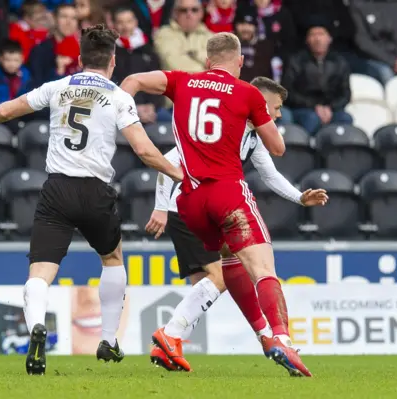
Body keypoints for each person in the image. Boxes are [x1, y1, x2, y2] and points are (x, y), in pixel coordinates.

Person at [0, 25, 184, 375]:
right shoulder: (119, 97)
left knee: (40, 272)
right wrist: (180, 175)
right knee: (112, 258)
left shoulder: (58, 87)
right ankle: (108, 340)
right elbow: (145, 151)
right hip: (96, 192)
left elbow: (12, 110)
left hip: (57, 188)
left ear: (79, 59)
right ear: (113, 61)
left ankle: (37, 327)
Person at [121, 32, 312, 377]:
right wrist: (260, 117)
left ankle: (258, 337)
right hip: (226, 195)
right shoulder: (247, 94)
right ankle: (281, 338)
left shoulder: (182, 81)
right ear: (240, 62)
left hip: (191, 200)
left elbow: (133, 80)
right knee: (263, 269)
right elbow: (279, 148)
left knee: (229, 266)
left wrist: (124, 117)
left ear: (208, 61)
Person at [283, 21, 353, 135]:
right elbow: (287, 92)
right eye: (313, 35)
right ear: (307, 40)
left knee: (345, 118)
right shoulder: (296, 61)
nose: (317, 39)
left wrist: (330, 107)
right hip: (304, 108)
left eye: (321, 34)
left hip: (331, 109)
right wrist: (314, 106)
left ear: (329, 39)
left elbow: (345, 94)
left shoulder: (340, 62)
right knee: (311, 119)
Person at [110, 6, 167, 124]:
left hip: (151, 108)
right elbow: (112, 84)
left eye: (129, 21)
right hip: (121, 108)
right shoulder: (110, 52)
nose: (125, 26)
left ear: (136, 22)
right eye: (120, 22)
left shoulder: (148, 50)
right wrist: (134, 108)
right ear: (114, 24)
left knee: (170, 121)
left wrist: (152, 106)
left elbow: (159, 81)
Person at [349, 0, 397, 85]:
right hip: (372, 58)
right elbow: (362, 41)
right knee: (385, 73)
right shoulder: (358, 6)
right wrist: (391, 61)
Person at [0, 40, 33, 131]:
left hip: (22, 114)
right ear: (0, 58)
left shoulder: (26, 76)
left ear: (22, 59)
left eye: (16, 60)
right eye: (8, 60)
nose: (12, 64)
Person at [28, 4, 80, 88]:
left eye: (74, 18)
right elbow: (37, 87)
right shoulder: (40, 50)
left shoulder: (82, 51)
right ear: (55, 19)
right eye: (64, 17)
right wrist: (59, 71)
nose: (69, 22)